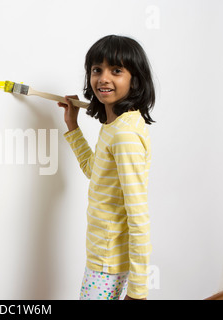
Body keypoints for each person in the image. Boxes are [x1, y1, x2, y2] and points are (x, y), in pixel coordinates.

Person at [58, 35, 156, 300]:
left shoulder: (124, 136)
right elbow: (94, 171)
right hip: (104, 255)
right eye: (96, 70)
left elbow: (138, 217)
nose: (103, 78)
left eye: (116, 70)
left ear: (135, 79)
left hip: (108, 260)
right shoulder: (115, 126)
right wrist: (72, 126)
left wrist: (138, 292)